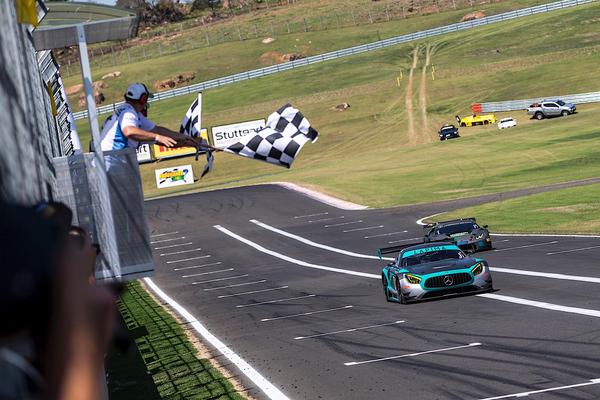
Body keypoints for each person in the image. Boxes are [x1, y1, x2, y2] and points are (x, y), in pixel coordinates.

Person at [99, 83, 201, 152]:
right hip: (113, 159)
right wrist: (157, 137)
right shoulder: (129, 113)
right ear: (143, 99)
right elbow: (129, 131)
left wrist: (183, 137)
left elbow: (157, 130)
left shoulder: (128, 112)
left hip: (113, 158)